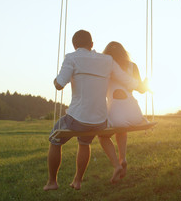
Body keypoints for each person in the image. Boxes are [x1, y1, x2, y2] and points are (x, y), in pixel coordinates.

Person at [43, 30, 140, 191]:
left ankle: (52, 182)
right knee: (84, 142)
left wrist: (55, 79)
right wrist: (144, 86)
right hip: (99, 121)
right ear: (92, 44)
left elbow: (59, 84)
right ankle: (77, 180)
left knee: (54, 138)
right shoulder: (107, 60)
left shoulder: (72, 58)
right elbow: (127, 80)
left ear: (75, 45)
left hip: (77, 118)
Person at [98, 41, 149, 183]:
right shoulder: (133, 66)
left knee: (102, 136)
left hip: (116, 111)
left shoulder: (105, 67)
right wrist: (146, 83)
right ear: (124, 52)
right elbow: (141, 89)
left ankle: (116, 165)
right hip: (135, 113)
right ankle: (123, 158)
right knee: (122, 128)